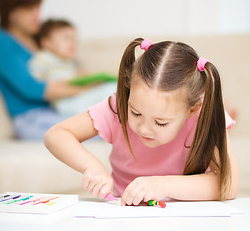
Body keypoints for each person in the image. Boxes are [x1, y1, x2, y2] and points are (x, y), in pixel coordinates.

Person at [44, 38, 239, 206]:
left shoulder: (206, 115)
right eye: (136, 113)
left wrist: (162, 185)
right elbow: (57, 135)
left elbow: (228, 184)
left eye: (161, 123)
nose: (144, 128)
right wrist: (92, 167)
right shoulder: (118, 106)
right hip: (124, 213)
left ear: (193, 109)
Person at [0, 0, 93, 140]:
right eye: (30, 10)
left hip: (56, 110)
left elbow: (66, 65)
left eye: (38, 8)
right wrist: (86, 86)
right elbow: (32, 88)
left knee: (106, 125)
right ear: (12, 13)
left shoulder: (38, 39)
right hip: (30, 118)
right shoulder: (2, 43)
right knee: (99, 133)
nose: (37, 15)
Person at [30, 19, 117, 116]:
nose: (73, 43)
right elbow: (35, 82)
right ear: (47, 43)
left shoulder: (71, 63)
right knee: (110, 91)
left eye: (75, 40)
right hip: (64, 102)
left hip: (78, 97)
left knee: (112, 88)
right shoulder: (44, 57)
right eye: (66, 38)